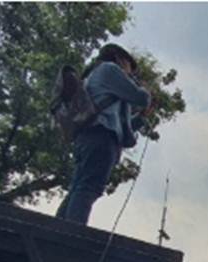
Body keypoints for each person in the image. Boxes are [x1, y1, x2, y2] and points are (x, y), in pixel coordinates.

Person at [56, 43, 153, 224]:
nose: (130, 75)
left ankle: (56, 230)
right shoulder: (109, 69)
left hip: (90, 137)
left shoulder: (95, 77)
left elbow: (123, 127)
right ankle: (72, 236)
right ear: (120, 59)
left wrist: (140, 118)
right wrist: (147, 92)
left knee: (79, 186)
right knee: (88, 188)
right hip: (101, 137)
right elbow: (141, 98)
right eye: (129, 69)